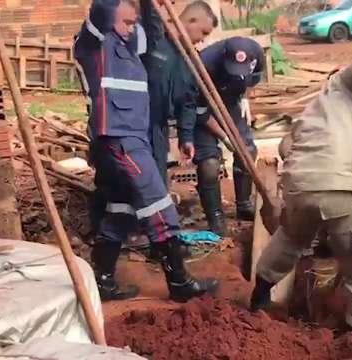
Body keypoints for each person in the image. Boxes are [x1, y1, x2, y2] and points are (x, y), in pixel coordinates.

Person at [249, 48, 352, 332]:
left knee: (289, 240)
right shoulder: (344, 86)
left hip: (299, 186)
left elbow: (285, 147)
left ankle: (259, 296)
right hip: (340, 188)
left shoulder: (315, 112)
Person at [74, 0, 218, 301]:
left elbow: (150, 27)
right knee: (158, 203)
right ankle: (179, 282)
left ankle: (102, 281)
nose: (132, 28)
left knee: (122, 211)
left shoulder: (133, 45)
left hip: (133, 137)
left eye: (134, 22)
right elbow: (102, 9)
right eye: (126, 22)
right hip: (118, 138)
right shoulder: (94, 43)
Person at [186, 37, 264, 236]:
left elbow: (252, 80)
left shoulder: (257, 53)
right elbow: (199, 110)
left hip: (231, 103)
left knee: (247, 151)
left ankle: (244, 203)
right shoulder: (204, 64)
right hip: (203, 109)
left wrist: (245, 99)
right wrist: (225, 137)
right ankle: (215, 216)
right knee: (209, 165)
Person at [140, 0, 218, 185]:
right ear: (190, 21)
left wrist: (186, 138)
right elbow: (149, 12)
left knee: (157, 181)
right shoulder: (155, 38)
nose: (203, 40)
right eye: (203, 32)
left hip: (159, 129)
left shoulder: (191, 61)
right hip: (136, 124)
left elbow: (188, 103)